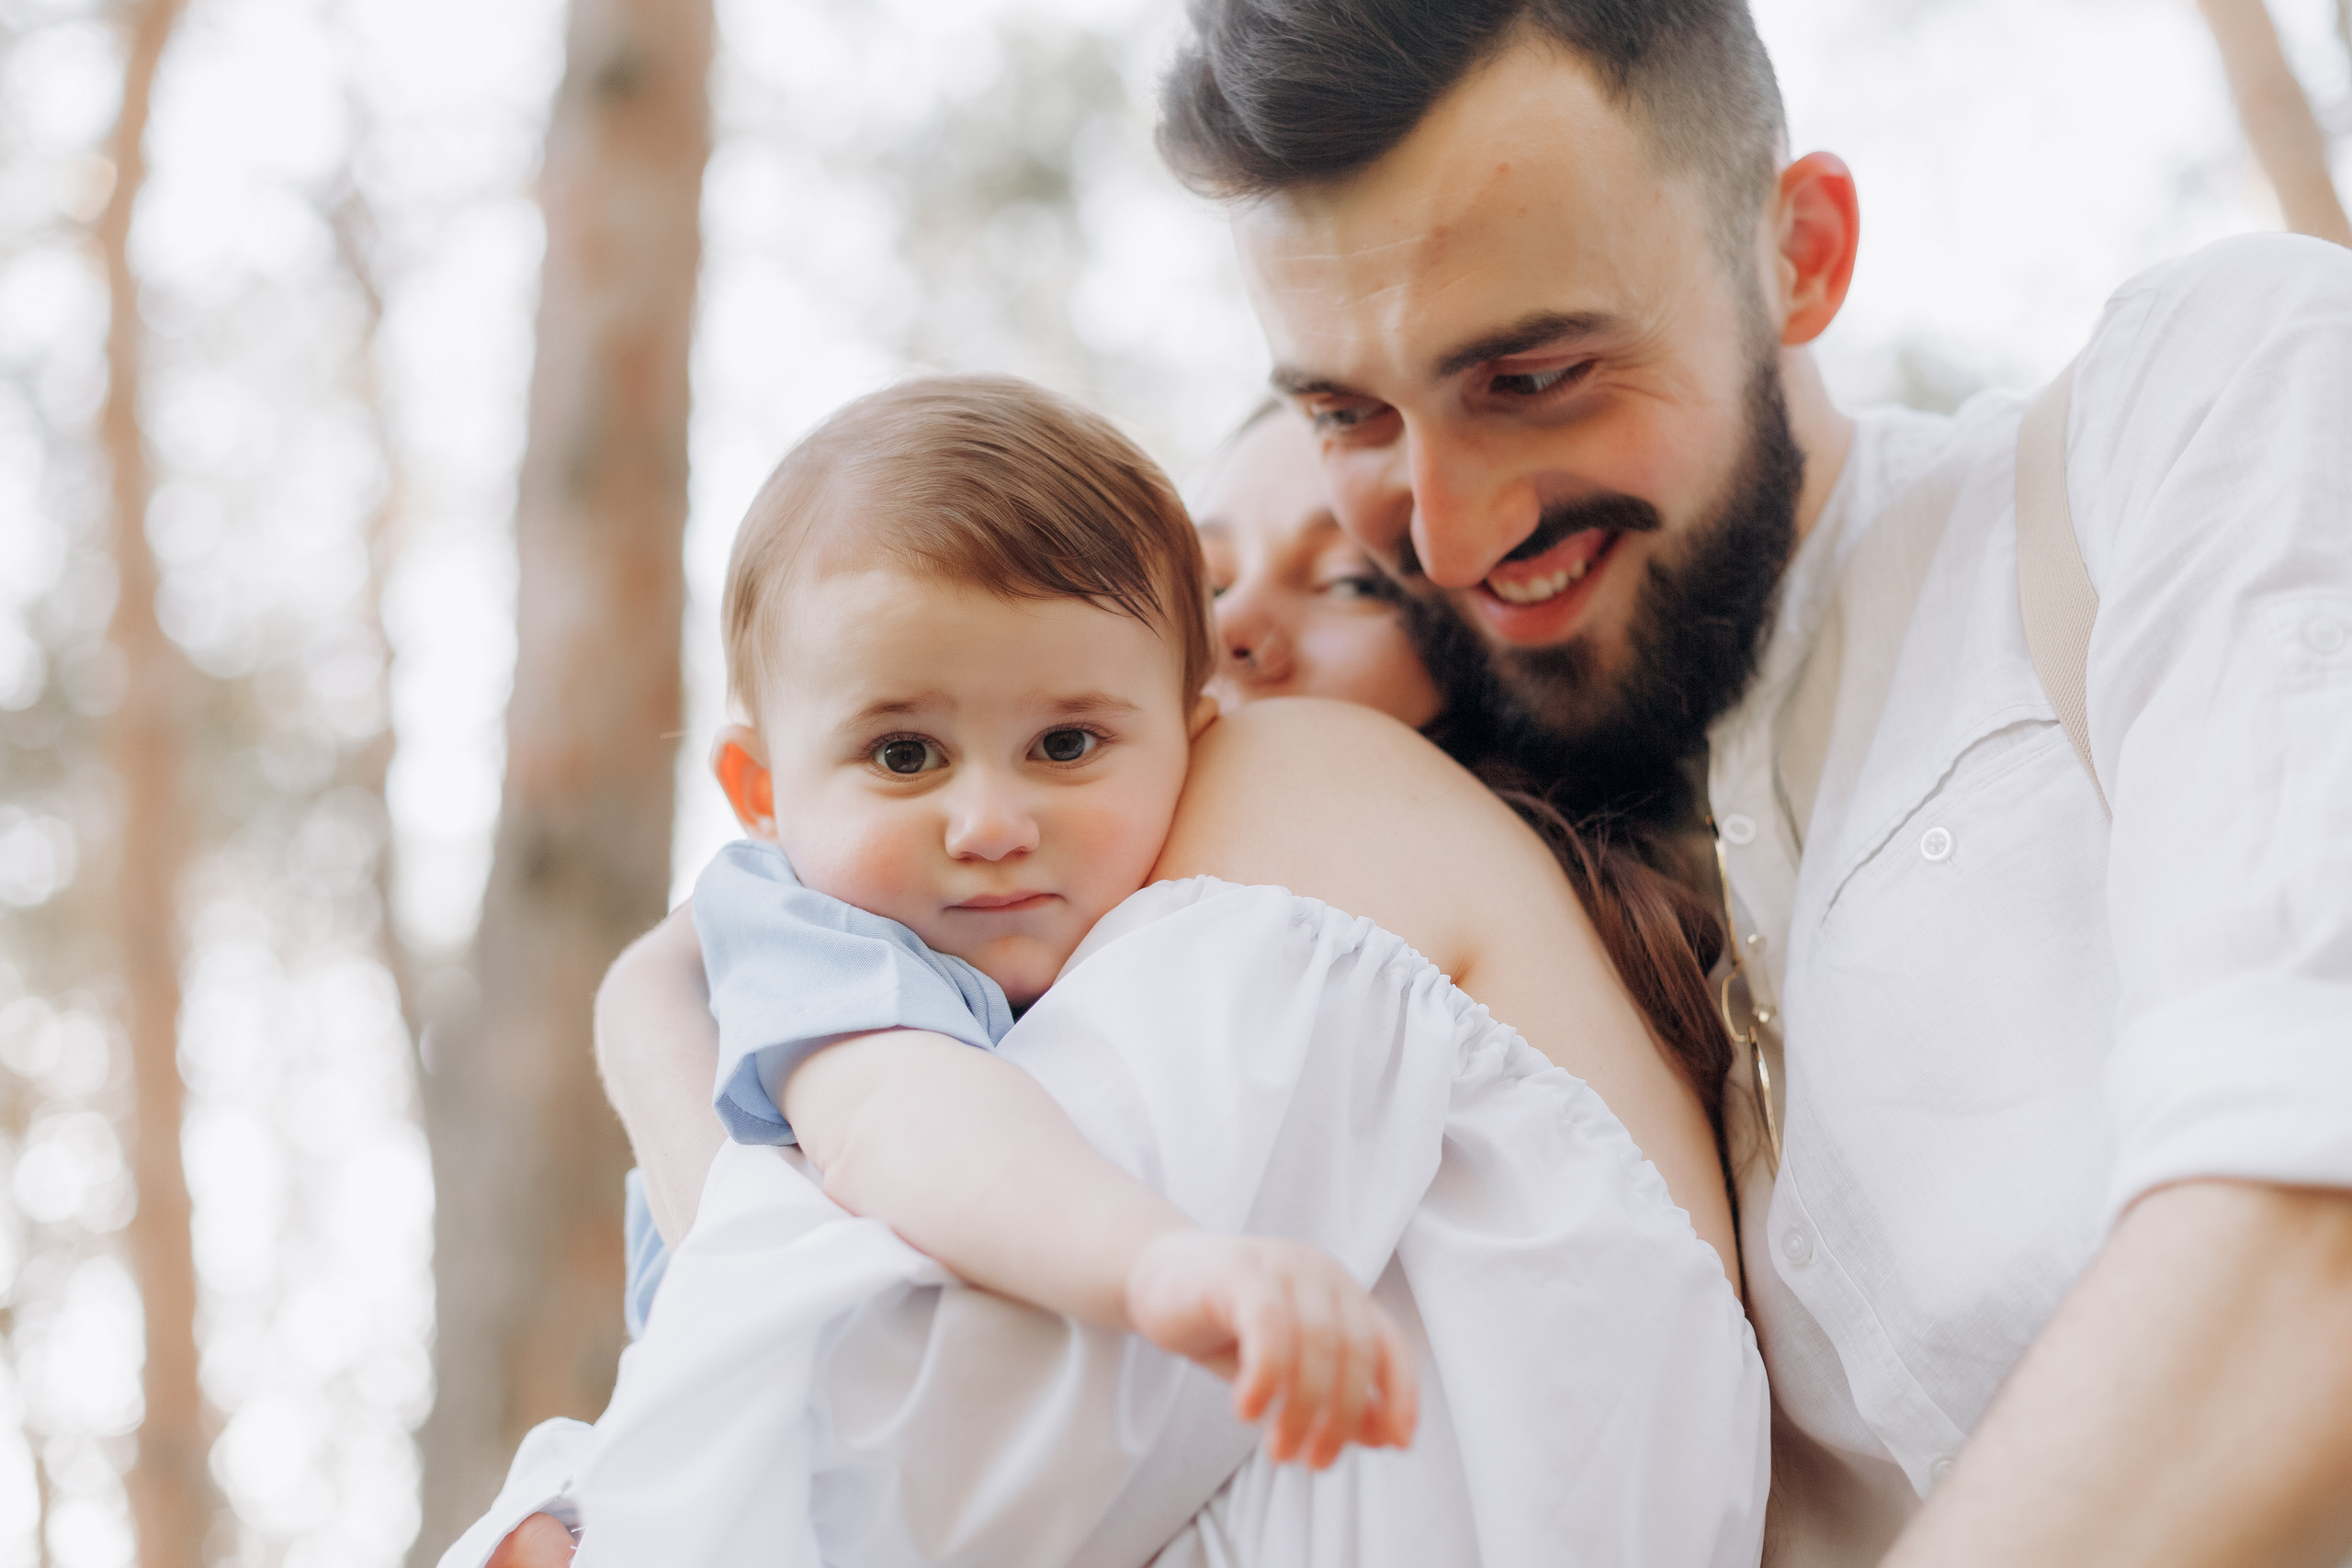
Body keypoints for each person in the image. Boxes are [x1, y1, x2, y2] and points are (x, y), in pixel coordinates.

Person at [1158, 2, 2352, 1564]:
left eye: (1535, 375)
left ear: (1800, 255)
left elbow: (2306, 1208)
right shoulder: (1507, 905)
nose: (1444, 539)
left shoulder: (2196, 412)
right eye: (1348, 415)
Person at [476, 376, 1758, 1565]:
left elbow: (887, 1458)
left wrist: (657, 1042)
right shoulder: (891, 928)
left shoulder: (1313, 797)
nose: (1242, 631)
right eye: (1213, 576)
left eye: (1354, 582)